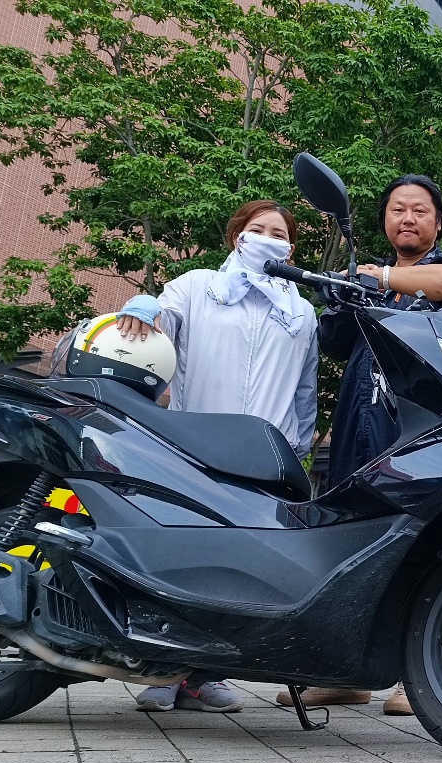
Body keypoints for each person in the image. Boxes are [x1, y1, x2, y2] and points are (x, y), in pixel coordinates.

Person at [276, 174, 442, 716]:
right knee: (350, 544)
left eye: (419, 210)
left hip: (421, 430)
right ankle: (346, 675)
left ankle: (414, 681)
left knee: (422, 547)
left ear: (438, 222)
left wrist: (384, 276)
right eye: (397, 210)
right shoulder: (365, 283)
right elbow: (332, 342)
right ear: (385, 221)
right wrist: (342, 293)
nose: (407, 218)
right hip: (358, 427)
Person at [115, 200, 318, 713]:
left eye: (279, 233)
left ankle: (206, 677)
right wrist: (143, 305)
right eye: (258, 228)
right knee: (183, 557)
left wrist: (298, 445)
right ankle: (163, 670)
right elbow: (161, 319)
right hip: (195, 445)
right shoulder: (197, 287)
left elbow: (305, 386)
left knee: (239, 568)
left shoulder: (301, 312)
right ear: (237, 237)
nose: (268, 237)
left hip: (264, 457)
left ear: (291, 248)